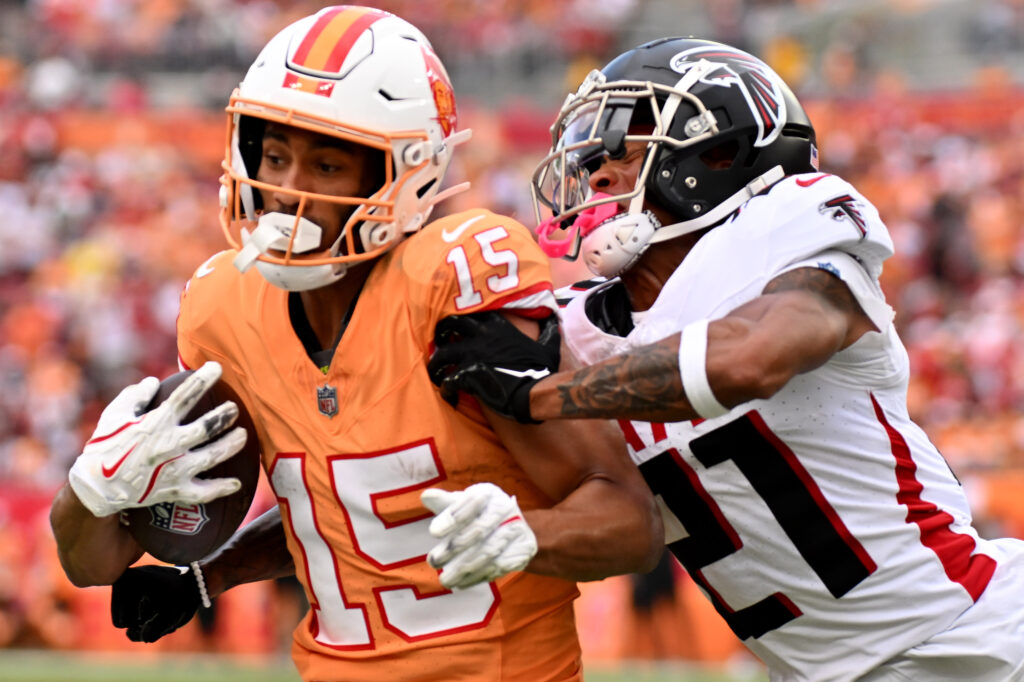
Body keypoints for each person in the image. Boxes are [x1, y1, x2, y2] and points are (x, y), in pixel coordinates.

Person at [48, 7, 662, 681]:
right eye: (274, 156)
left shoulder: (451, 286)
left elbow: (629, 524)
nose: (285, 192)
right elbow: (97, 563)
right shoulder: (223, 309)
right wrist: (94, 491)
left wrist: (527, 535)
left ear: (406, 173)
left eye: (327, 164)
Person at [427, 37, 1024, 682]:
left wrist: (541, 396)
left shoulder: (791, 237)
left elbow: (749, 361)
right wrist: (522, 530)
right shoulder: (577, 325)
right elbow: (626, 524)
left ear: (718, 153)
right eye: (593, 154)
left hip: (971, 637)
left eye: (624, 151)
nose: (596, 173)